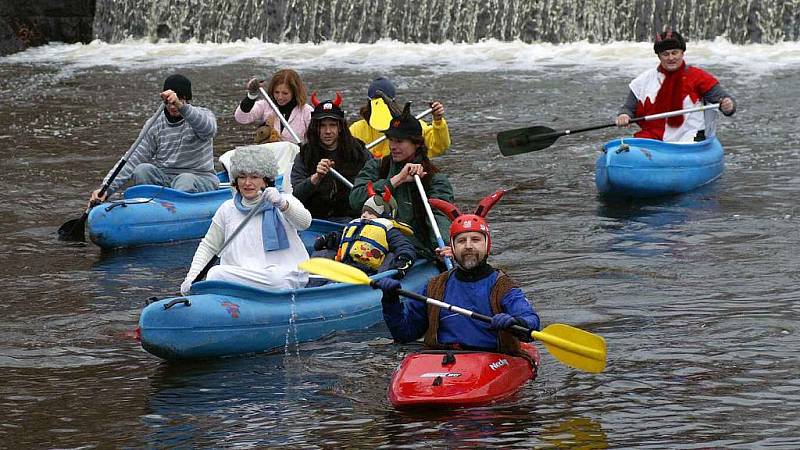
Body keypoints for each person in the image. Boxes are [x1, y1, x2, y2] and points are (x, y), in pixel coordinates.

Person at [373, 189, 541, 357]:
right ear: (452, 248)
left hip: (491, 359)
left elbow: (531, 320)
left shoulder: (502, 286)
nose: (468, 246)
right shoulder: (434, 286)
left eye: (475, 240)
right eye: (461, 241)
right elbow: (404, 334)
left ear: (487, 246)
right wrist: (390, 300)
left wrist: (516, 323)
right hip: (441, 359)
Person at [180, 147, 312, 294]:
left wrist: (282, 205)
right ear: (236, 180)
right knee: (215, 273)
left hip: (281, 276)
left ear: (265, 180)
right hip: (240, 277)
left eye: (254, 177)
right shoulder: (227, 208)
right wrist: (191, 278)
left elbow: (305, 223)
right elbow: (209, 246)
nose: (247, 183)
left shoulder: (284, 200)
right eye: (242, 176)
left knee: (276, 278)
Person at [89, 74, 219, 204]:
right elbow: (132, 159)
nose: (173, 106)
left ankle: (175, 213)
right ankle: (150, 209)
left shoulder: (203, 115)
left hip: (200, 179)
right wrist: (106, 188)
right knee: (141, 170)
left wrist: (181, 106)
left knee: (185, 180)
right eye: (170, 102)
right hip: (167, 179)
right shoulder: (154, 124)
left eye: (179, 100)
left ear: (187, 99)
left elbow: (209, 130)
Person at [349, 102, 454, 261]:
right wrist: (396, 180)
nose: (392, 146)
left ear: (417, 143)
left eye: (399, 141)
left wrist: (443, 247)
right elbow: (355, 201)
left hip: (414, 249)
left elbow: (440, 218)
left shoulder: (435, 179)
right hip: (371, 243)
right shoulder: (376, 166)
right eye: (390, 139)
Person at [615, 29, 737, 142]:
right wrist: (624, 115)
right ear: (659, 56)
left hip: (690, 137)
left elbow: (725, 101)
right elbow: (628, 108)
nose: (671, 58)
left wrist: (728, 106)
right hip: (653, 138)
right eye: (665, 54)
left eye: (675, 53)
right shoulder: (643, 81)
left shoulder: (699, 77)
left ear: (682, 53)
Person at [291, 92, 371, 222]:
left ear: (340, 127)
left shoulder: (358, 150)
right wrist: (316, 178)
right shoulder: (305, 154)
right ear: (315, 128)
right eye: (322, 126)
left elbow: (375, 179)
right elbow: (296, 195)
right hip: (316, 221)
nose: (327, 131)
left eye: (332, 125)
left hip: (352, 219)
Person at [314, 182, 416, 279]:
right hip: (344, 266)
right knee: (321, 257)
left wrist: (403, 259)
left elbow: (403, 246)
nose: (365, 215)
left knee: (391, 256)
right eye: (364, 211)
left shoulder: (388, 230)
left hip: (367, 272)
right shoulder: (356, 226)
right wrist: (330, 239)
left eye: (371, 213)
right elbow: (345, 239)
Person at [349, 76, 451, 159]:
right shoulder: (356, 130)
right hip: (370, 177)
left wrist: (438, 121)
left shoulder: (410, 126)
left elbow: (439, 147)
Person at [234, 68, 314, 143]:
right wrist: (251, 97)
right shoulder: (265, 105)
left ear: (295, 92)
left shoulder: (306, 111)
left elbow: (316, 138)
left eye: (285, 93)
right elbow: (241, 118)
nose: (280, 97)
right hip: (268, 155)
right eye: (276, 92)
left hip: (295, 155)